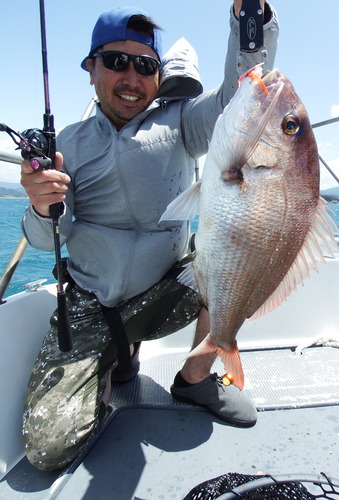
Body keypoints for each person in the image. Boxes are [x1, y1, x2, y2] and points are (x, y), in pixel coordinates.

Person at [20, 2, 279, 471]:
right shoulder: (67, 148)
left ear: (159, 77)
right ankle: (117, 360)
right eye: (117, 62)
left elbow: (240, 96)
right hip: (91, 308)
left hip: (167, 292)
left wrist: (251, 20)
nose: (131, 77)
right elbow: (42, 240)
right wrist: (41, 205)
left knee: (228, 265)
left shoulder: (183, 124)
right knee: (47, 449)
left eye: (145, 66)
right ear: (90, 68)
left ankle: (196, 378)